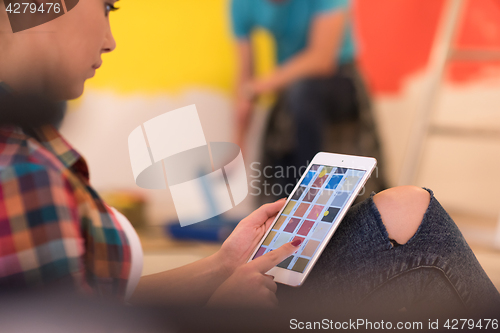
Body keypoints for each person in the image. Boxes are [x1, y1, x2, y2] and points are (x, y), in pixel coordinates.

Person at [0, 0, 498, 315]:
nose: (111, 39)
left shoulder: (32, 144)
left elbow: (320, 60)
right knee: (413, 216)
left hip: (333, 83)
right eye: (109, 7)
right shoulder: (22, 169)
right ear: (44, 6)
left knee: (406, 205)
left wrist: (222, 265)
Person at [231, 0, 387, 203]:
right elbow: (245, 79)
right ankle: (287, 205)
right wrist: (237, 145)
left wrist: (256, 88)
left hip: (339, 78)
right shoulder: (241, 4)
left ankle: (311, 197)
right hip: (290, 85)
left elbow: (322, 60)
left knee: (302, 93)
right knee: (289, 112)